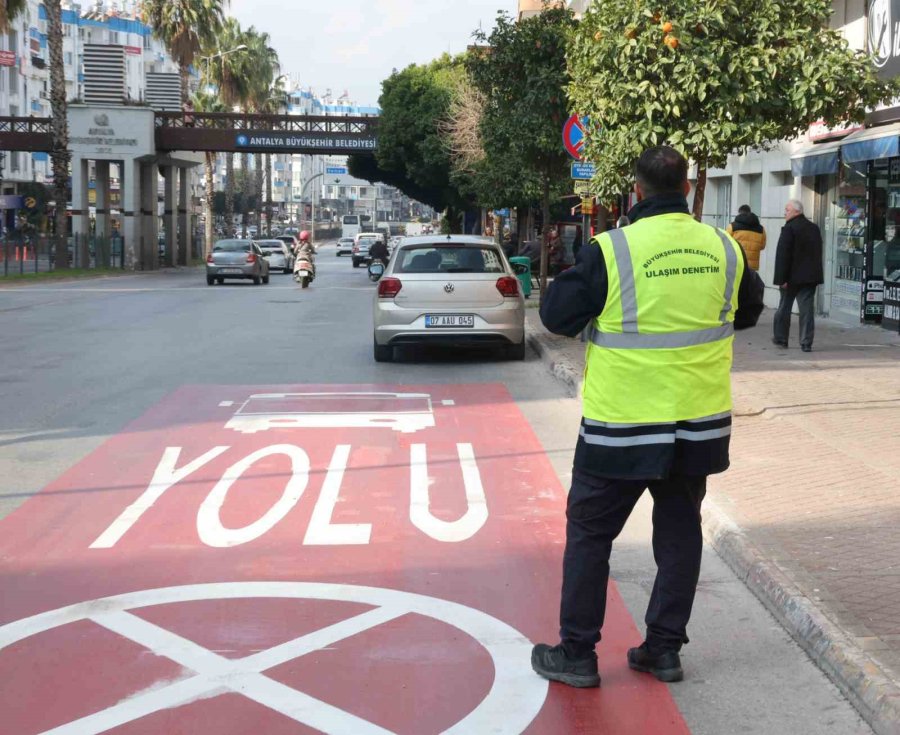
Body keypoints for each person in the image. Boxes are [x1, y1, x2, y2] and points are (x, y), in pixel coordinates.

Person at [531, 146, 764, 689]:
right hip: (698, 425)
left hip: (622, 428)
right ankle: (663, 651)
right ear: (686, 189)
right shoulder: (724, 248)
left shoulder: (611, 249)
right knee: (681, 536)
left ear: (636, 191)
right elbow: (749, 311)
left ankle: (578, 654)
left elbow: (555, 315)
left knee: (590, 535)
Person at [773, 199, 823, 353]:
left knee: (784, 308)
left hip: (790, 278)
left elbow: (783, 255)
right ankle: (806, 342)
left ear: (797, 211)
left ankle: (781, 339)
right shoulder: (814, 228)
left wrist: (782, 279)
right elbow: (817, 253)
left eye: (787, 210)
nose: (784, 213)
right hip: (809, 278)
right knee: (807, 310)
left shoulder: (789, 228)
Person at [726, 204, 766, 271]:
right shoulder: (761, 229)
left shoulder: (732, 226)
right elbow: (762, 246)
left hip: (737, 264)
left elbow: (725, 243)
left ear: (739, 213)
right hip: (752, 266)